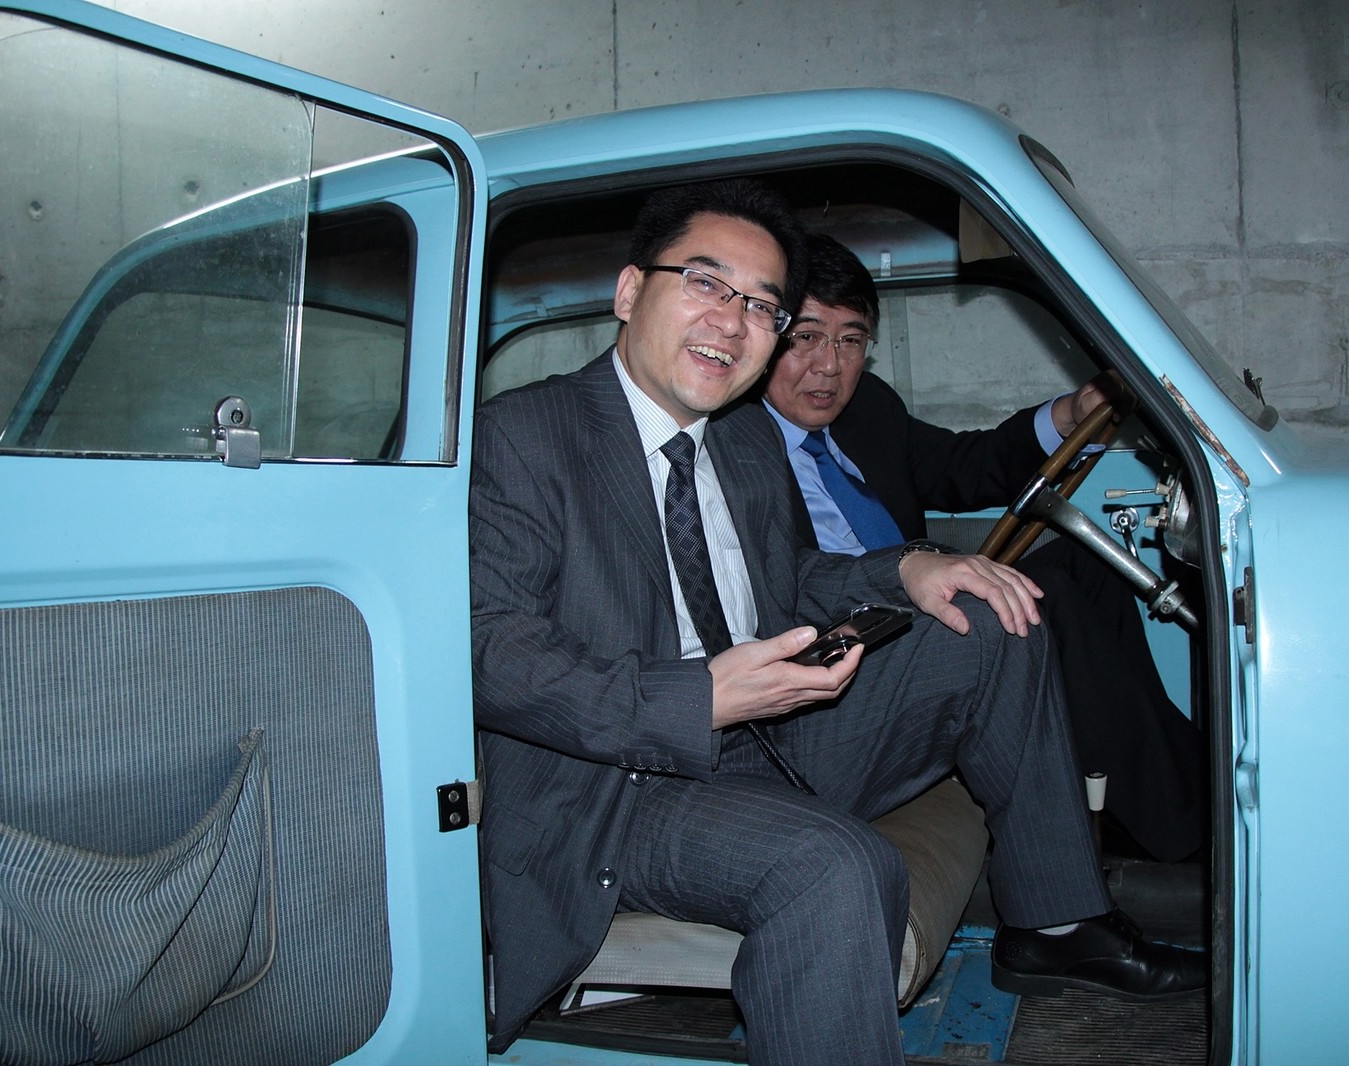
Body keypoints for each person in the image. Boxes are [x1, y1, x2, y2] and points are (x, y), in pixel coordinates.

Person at [470, 179, 1203, 1065]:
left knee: (988, 617)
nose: (732, 321)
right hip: (623, 783)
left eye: (761, 305)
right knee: (839, 866)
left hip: (768, 730)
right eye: (705, 283)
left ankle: (1055, 924)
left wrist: (908, 567)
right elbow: (487, 651)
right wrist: (696, 698)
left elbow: (790, 575)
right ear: (630, 292)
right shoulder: (521, 436)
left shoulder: (741, 438)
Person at [761, 233, 1205, 866]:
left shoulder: (866, 410)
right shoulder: (733, 447)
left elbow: (958, 467)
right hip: (854, 655)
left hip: (927, 606)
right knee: (1039, 605)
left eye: (851, 340)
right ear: (767, 333)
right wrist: (910, 573)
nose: (830, 366)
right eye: (806, 337)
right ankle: (1185, 828)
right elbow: (785, 583)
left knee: (1083, 564)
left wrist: (1070, 413)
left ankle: (1151, 786)